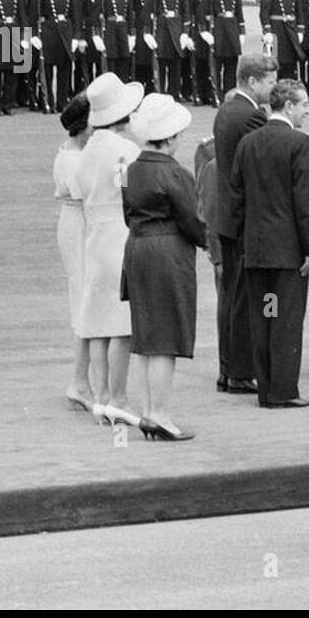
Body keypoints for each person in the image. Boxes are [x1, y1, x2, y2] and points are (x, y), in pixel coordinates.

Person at [122, 93, 207, 441]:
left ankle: (148, 410)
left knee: (146, 335)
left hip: (137, 247)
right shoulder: (175, 173)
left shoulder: (129, 169)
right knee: (165, 339)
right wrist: (207, 243)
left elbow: (125, 213)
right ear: (169, 137)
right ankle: (157, 413)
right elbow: (194, 219)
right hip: (166, 251)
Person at [230, 78, 309, 409]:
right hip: (287, 254)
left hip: (257, 252)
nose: (308, 110)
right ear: (290, 106)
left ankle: (267, 387)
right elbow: (304, 203)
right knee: (285, 321)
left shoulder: (249, 143)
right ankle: (284, 389)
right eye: (305, 104)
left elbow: (236, 196)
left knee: (265, 315)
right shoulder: (299, 143)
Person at [74, 72, 145, 425]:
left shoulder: (88, 150)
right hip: (120, 233)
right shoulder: (126, 150)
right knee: (122, 325)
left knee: (99, 321)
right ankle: (118, 396)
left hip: (95, 235)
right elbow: (135, 193)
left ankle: (102, 396)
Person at [212, 54, 275, 395]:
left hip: (227, 216)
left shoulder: (228, 109)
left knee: (230, 297)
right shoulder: (251, 115)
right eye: (268, 82)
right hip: (243, 218)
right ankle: (239, 370)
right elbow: (261, 162)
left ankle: (228, 368)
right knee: (244, 299)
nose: (272, 89)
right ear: (253, 81)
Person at [54, 93, 93, 411]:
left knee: (84, 297)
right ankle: (79, 381)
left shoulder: (73, 152)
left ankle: (82, 380)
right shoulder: (74, 159)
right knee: (84, 299)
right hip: (79, 223)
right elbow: (89, 194)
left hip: (77, 221)